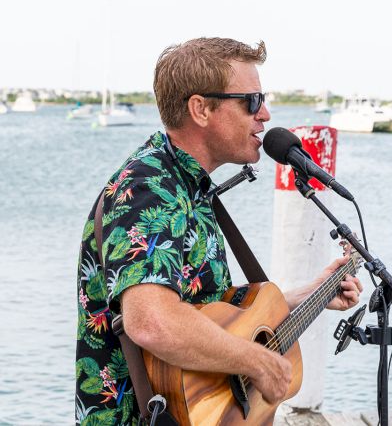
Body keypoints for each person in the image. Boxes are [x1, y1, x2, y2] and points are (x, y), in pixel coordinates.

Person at [75, 38, 363, 424]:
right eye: (251, 100)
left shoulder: (186, 184)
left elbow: (204, 309)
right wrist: (257, 361)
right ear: (201, 109)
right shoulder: (148, 188)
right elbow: (151, 320)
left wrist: (303, 297)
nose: (265, 114)